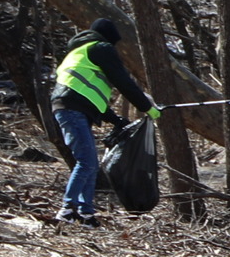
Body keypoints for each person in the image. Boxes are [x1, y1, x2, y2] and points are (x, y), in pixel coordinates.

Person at [48, 16, 155, 227]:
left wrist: (116, 120)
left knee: (89, 162)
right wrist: (147, 107)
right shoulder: (100, 48)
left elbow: (87, 94)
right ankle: (67, 209)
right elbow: (123, 81)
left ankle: (86, 213)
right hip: (72, 110)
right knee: (87, 162)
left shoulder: (78, 53)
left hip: (72, 108)